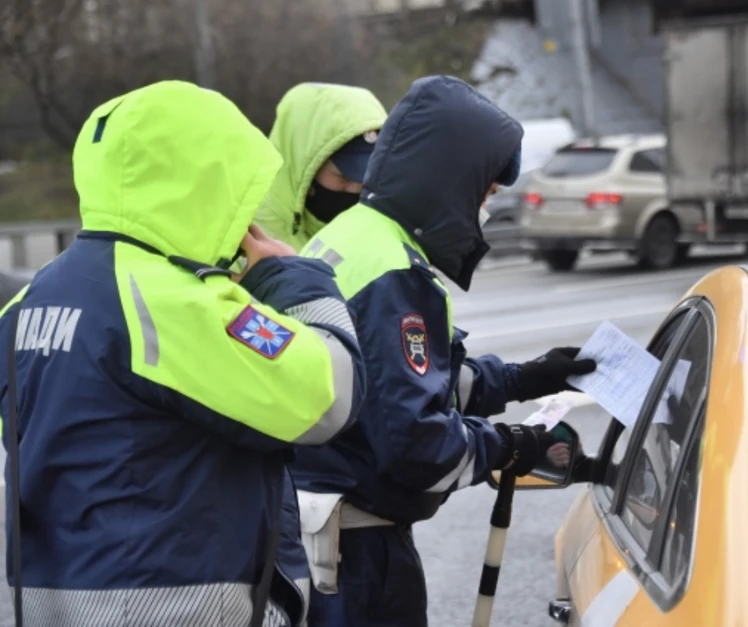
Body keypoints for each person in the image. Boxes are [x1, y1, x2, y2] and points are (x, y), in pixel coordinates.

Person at [0, 81, 366, 627]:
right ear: (202, 182)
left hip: (57, 600)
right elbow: (329, 397)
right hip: (172, 601)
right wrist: (296, 280)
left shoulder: (30, 300)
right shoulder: (173, 303)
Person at [290, 75, 597, 627]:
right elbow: (416, 442)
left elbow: (388, 384)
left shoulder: (352, 237)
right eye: (485, 192)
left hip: (319, 536)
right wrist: (506, 445)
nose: (483, 207)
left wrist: (526, 378)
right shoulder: (394, 275)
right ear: (450, 181)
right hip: (357, 552)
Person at [253, 82, 388, 250]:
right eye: (344, 178)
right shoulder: (248, 230)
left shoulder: (382, 234)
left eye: (366, 178)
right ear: (304, 166)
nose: (356, 189)